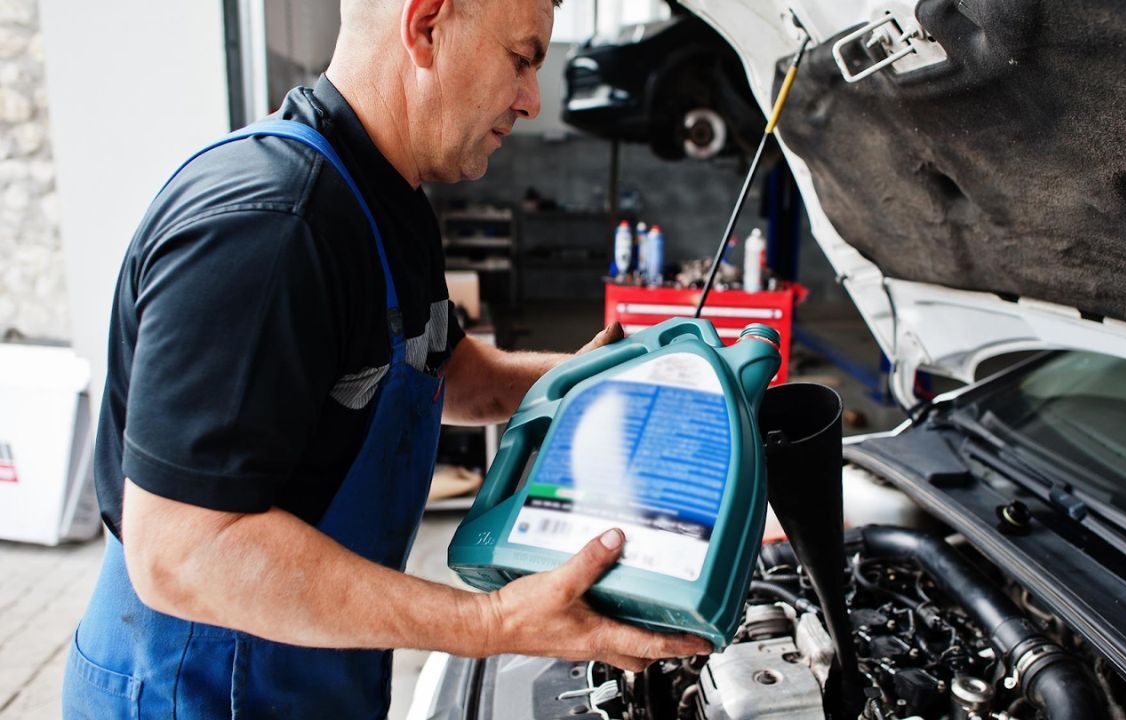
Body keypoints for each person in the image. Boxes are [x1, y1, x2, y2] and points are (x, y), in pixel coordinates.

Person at [61, 0, 710, 717]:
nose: (531, 100)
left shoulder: (383, 197)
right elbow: (183, 551)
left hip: (305, 666)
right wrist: (491, 623)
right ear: (426, 26)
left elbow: (444, 369)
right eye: (521, 60)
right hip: (195, 685)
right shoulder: (272, 228)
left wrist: (600, 384)